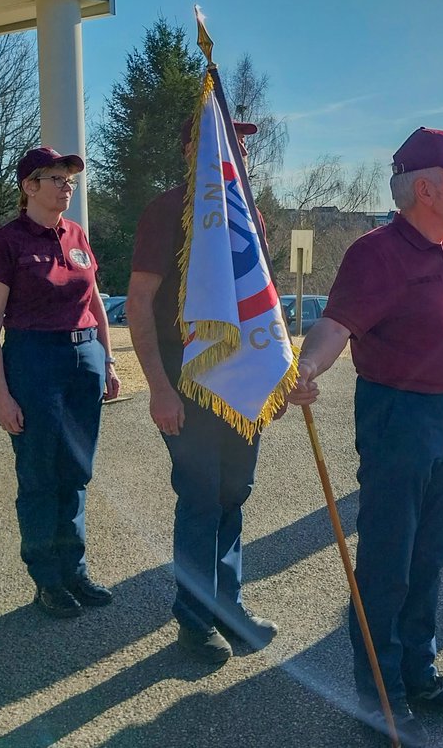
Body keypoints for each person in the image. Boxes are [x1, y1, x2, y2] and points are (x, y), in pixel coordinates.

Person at [287, 127, 443, 746]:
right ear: (425, 189)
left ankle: (418, 672)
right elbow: (337, 323)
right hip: (398, 417)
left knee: (431, 555)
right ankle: (382, 695)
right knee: (389, 561)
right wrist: (309, 366)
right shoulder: (376, 252)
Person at [126, 118, 279, 665]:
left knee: (234, 492)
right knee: (200, 496)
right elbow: (139, 301)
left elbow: (263, 298)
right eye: (225, 140)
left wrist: (273, 379)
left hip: (240, 373)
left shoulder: (248, 214)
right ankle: (194, 621)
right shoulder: (168, 210)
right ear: (193, 147)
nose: (236, 150)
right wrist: (159, 388)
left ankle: (227, 605)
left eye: (239, 143)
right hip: (184, 371)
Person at [0, 147, 119, 618]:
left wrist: (109, 360)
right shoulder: (8, 241)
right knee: (39, 474)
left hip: (84, 359)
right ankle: (47, 579)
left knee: (76, 471)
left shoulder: (76, 234)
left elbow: (94, 300)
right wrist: (1, 394)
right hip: (34, 359)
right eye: (55, 178)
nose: (66, 186)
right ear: (29, 186)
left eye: (69, 178)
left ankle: (74, 568)